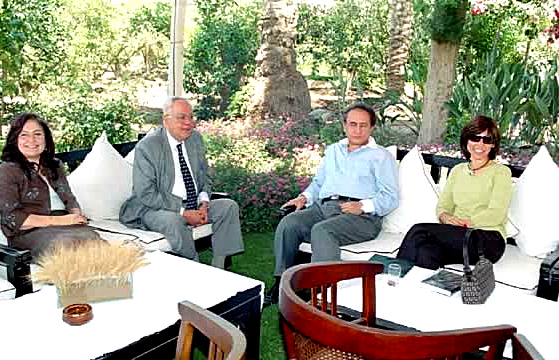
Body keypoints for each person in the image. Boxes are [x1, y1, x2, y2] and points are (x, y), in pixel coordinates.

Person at [264, 102, 400, 306]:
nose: (357, 130)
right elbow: (319, 183)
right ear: (344, 125)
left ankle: (321, 293)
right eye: (353, 124)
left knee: (322, 231)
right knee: (289, 224)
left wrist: (363, 206)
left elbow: (390, 197)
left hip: (360, 217)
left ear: (372, 128)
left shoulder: (381, 156)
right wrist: (304, 198)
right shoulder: (334, 150)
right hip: (325, 207)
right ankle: (282, 283)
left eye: (363, 125)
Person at [119, 96, 244, 267]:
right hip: (154, 208)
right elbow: (146, 193)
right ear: (166, 120)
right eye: (182, 117)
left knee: (228, 207)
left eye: (191, 117)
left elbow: (204, 176)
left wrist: (204, 203)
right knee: (174, 221)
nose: (188, 123)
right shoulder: (148, 146)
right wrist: (183, 212)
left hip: (192, 204)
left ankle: (219, 268)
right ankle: (194, 268)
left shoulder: (195, 140)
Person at [396, 115, 512, 269]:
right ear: (467, 140)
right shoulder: (458, 171)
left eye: (487, 140)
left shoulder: (501, 172)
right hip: (459, 237)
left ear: (493, 144)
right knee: (426, 253)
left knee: (419, 231)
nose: (480, 144)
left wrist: (465, 223)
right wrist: (445, 217)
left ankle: (392, 274)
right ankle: (426, 284)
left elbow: (496, 213)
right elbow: (443, 206)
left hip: (488, 239)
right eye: (475, 138)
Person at [0, 113, 100, 259]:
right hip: (30, 232)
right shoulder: (6, 171)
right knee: (64, 247)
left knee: (96, 242)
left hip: (65, 225)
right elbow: (12, 219)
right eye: (24, 135)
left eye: (37, 134)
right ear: (15, 139)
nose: (32, 140)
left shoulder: (54, 165)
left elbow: (69, 198)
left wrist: (76, 215)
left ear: (46, 139)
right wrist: (64, 220)